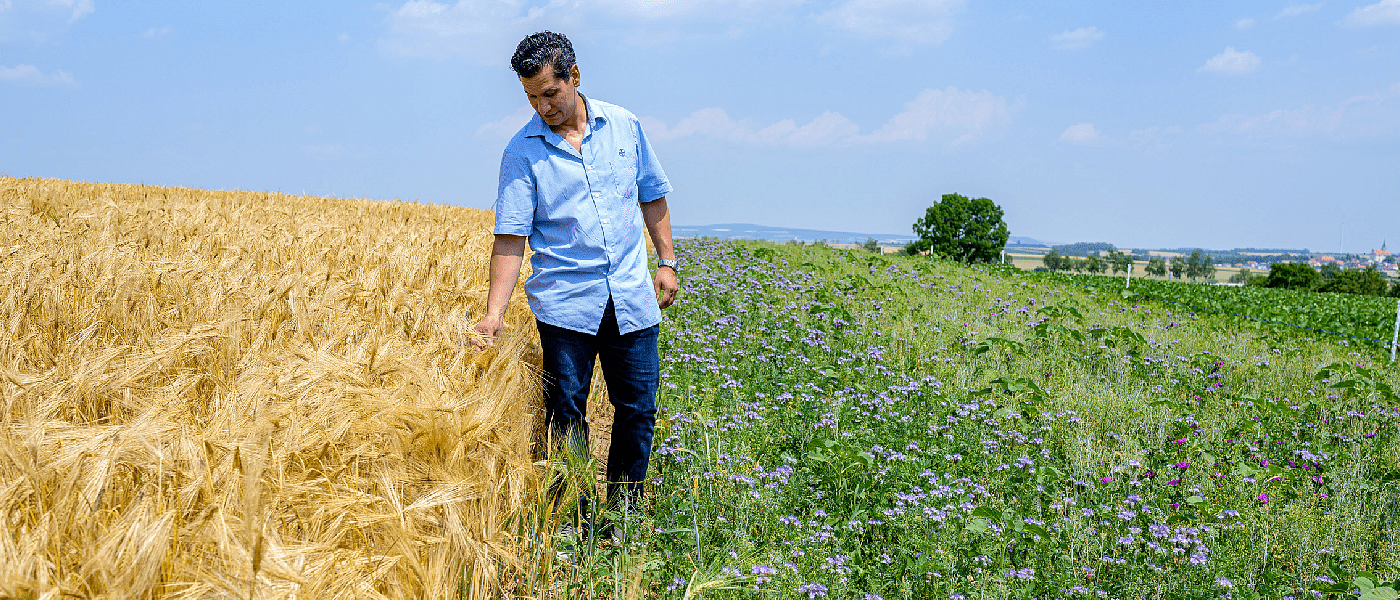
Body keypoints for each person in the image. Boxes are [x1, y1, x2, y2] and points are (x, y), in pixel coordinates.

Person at [471, 31, 678, 532]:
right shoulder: (521, 153)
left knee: (638, 411)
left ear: (574, 78)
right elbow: (510, 237)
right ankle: (573, 520)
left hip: (631, 295)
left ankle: (623, 517)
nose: (543, 106)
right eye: (531, 97)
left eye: (550, 93)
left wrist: (667, 262)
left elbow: (652, 195)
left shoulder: (625, 127)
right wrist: (493, 314)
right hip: (567, 306)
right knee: (567, 414)